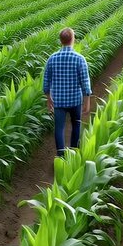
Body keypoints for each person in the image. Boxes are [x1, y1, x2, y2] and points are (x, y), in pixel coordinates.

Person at [43, 27, 92, 157]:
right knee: (76, 125)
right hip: (75, 100)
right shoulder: (79, 59)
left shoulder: (52, 59)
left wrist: (49, 99)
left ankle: (60, 156)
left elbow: (46, 81)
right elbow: (85, 82)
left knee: (59, 128)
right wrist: (87, 101)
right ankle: (74, 153)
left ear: (61, 41)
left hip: (58, 101)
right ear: (73, 40)